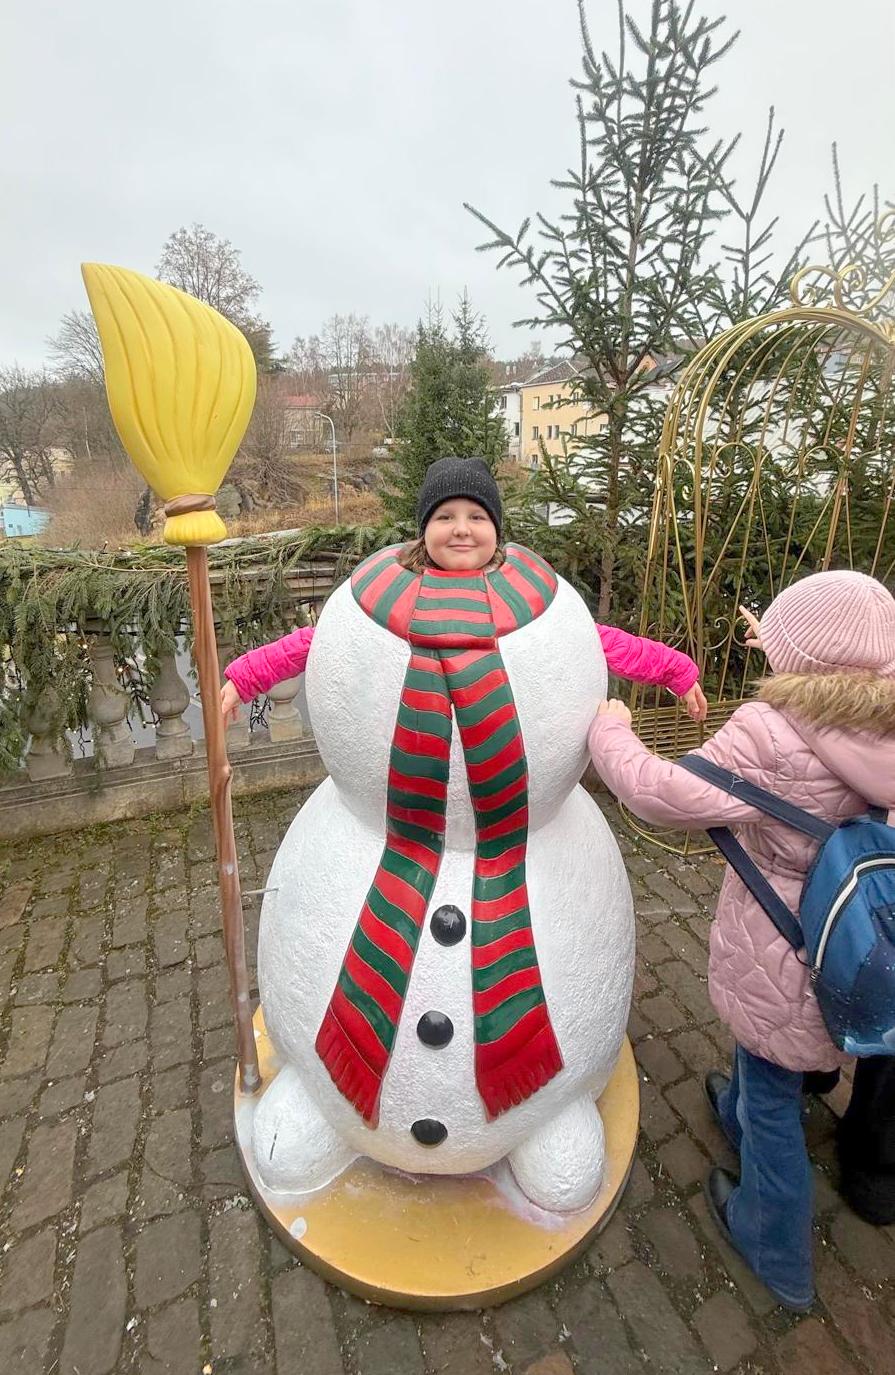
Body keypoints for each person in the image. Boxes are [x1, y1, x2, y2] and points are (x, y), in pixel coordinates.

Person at [587, 569, 895, 1310]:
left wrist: (610, 728)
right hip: (854, 939)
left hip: (785, 938)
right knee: (766, 1059)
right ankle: (734, 1108)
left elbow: (660, 793)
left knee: (771, 1091)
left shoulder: (774, 728)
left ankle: (772, 1241)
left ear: (799, 651)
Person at [221, 456, 708, 724]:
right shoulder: (390, 593)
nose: (461, 529)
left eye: (477, 516)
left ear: (495, 528)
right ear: (424, 529)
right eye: (444, 517)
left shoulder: (527, 596)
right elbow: (320, 640)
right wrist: (244, 679)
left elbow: (597, 641)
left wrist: (677, 672)